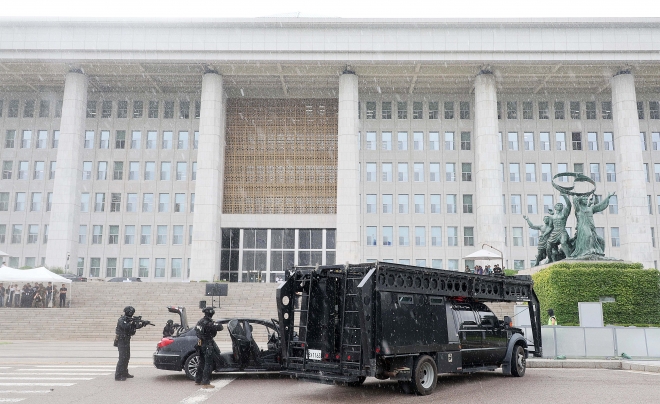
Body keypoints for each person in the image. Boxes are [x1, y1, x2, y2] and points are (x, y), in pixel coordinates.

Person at [194, 307, 224, 388]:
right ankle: (206, 383)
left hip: (200, 343)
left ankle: (198, 380)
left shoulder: (200, 321)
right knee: (208, 363)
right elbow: (220, 327)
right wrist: (215, 323)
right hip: (207, 344)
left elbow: (196, 331)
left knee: (202, 362)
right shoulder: (208, 323)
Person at [115, 306, 145, 381]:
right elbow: (127, 327)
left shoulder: (128, 320)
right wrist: (134, 322)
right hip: (121, 340)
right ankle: (118, 375)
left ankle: (124, 372)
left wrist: (142, 324)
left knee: (127, 357)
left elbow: (133, 328)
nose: (132, 314)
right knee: (122, 358)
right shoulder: (121, 320)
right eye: (131, 312)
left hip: (126, 340)